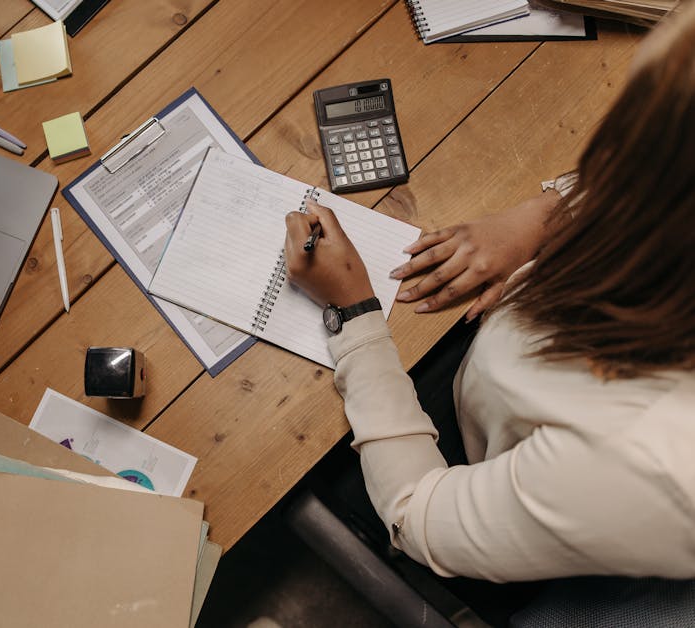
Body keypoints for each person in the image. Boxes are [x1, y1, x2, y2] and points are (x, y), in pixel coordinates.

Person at [283, 3, 695, 583]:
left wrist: (352, 314)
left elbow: (416, 516)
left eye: (626, 134)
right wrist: (547, 217)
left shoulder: (645, 464)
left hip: (476, 477)